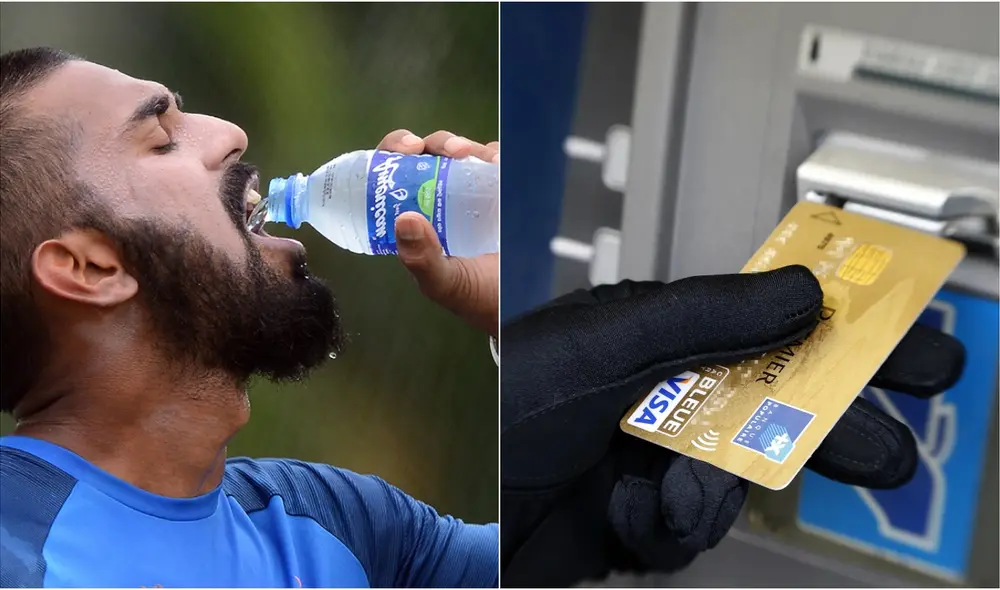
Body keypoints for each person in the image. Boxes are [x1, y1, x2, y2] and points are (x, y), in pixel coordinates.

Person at [0, 47, 499, 588]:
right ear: (91, 268)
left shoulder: (340, 526)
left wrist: (525, 294)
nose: (231, 134)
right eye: (162, 140)